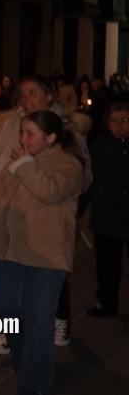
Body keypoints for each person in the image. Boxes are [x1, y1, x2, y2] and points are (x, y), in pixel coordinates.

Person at [0, 76, 92, 352]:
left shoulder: (67, 132)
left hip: (46, 228)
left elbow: (80, 179)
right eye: (22, 94)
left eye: (33, 92)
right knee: (7, 297)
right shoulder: (9, 125)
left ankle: (56, 322)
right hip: (12, 220)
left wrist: (64, 217)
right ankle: (17, 335)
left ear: (50, 96)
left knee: (44, 294)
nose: (26, 99)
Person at [82, 102, 129, 317]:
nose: (120, 125)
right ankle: (107, 303)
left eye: (125, 120)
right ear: (107, 123)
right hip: (107, 215)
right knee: (107, 265)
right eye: (115, 120)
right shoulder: (100, 146)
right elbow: (90, 180)